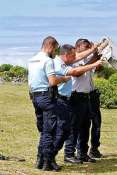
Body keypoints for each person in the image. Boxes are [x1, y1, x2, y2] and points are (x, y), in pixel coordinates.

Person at [52, 44, 104, 164]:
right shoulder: (69, 62)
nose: (86, 50)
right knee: (73, 127)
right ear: (78, 47)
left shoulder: (74, 59)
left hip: (87, 97)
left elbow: (90, 65)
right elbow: (77, 72)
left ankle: (82, 153)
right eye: (86, 46)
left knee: (86, 126)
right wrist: (94, 62)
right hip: (74, 97)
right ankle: (69, 154)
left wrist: (94, 53)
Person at [28, 36, 70, 171]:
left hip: (35, 97)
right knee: (49, 131)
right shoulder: (48, 61)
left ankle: (40, 160)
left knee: (43, 130)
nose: (56, 53)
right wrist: (63, 79)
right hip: (47, 97)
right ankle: (48, 162)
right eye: (56, 49)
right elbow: (52, 81)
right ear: (50, 47)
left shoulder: (32, 60)